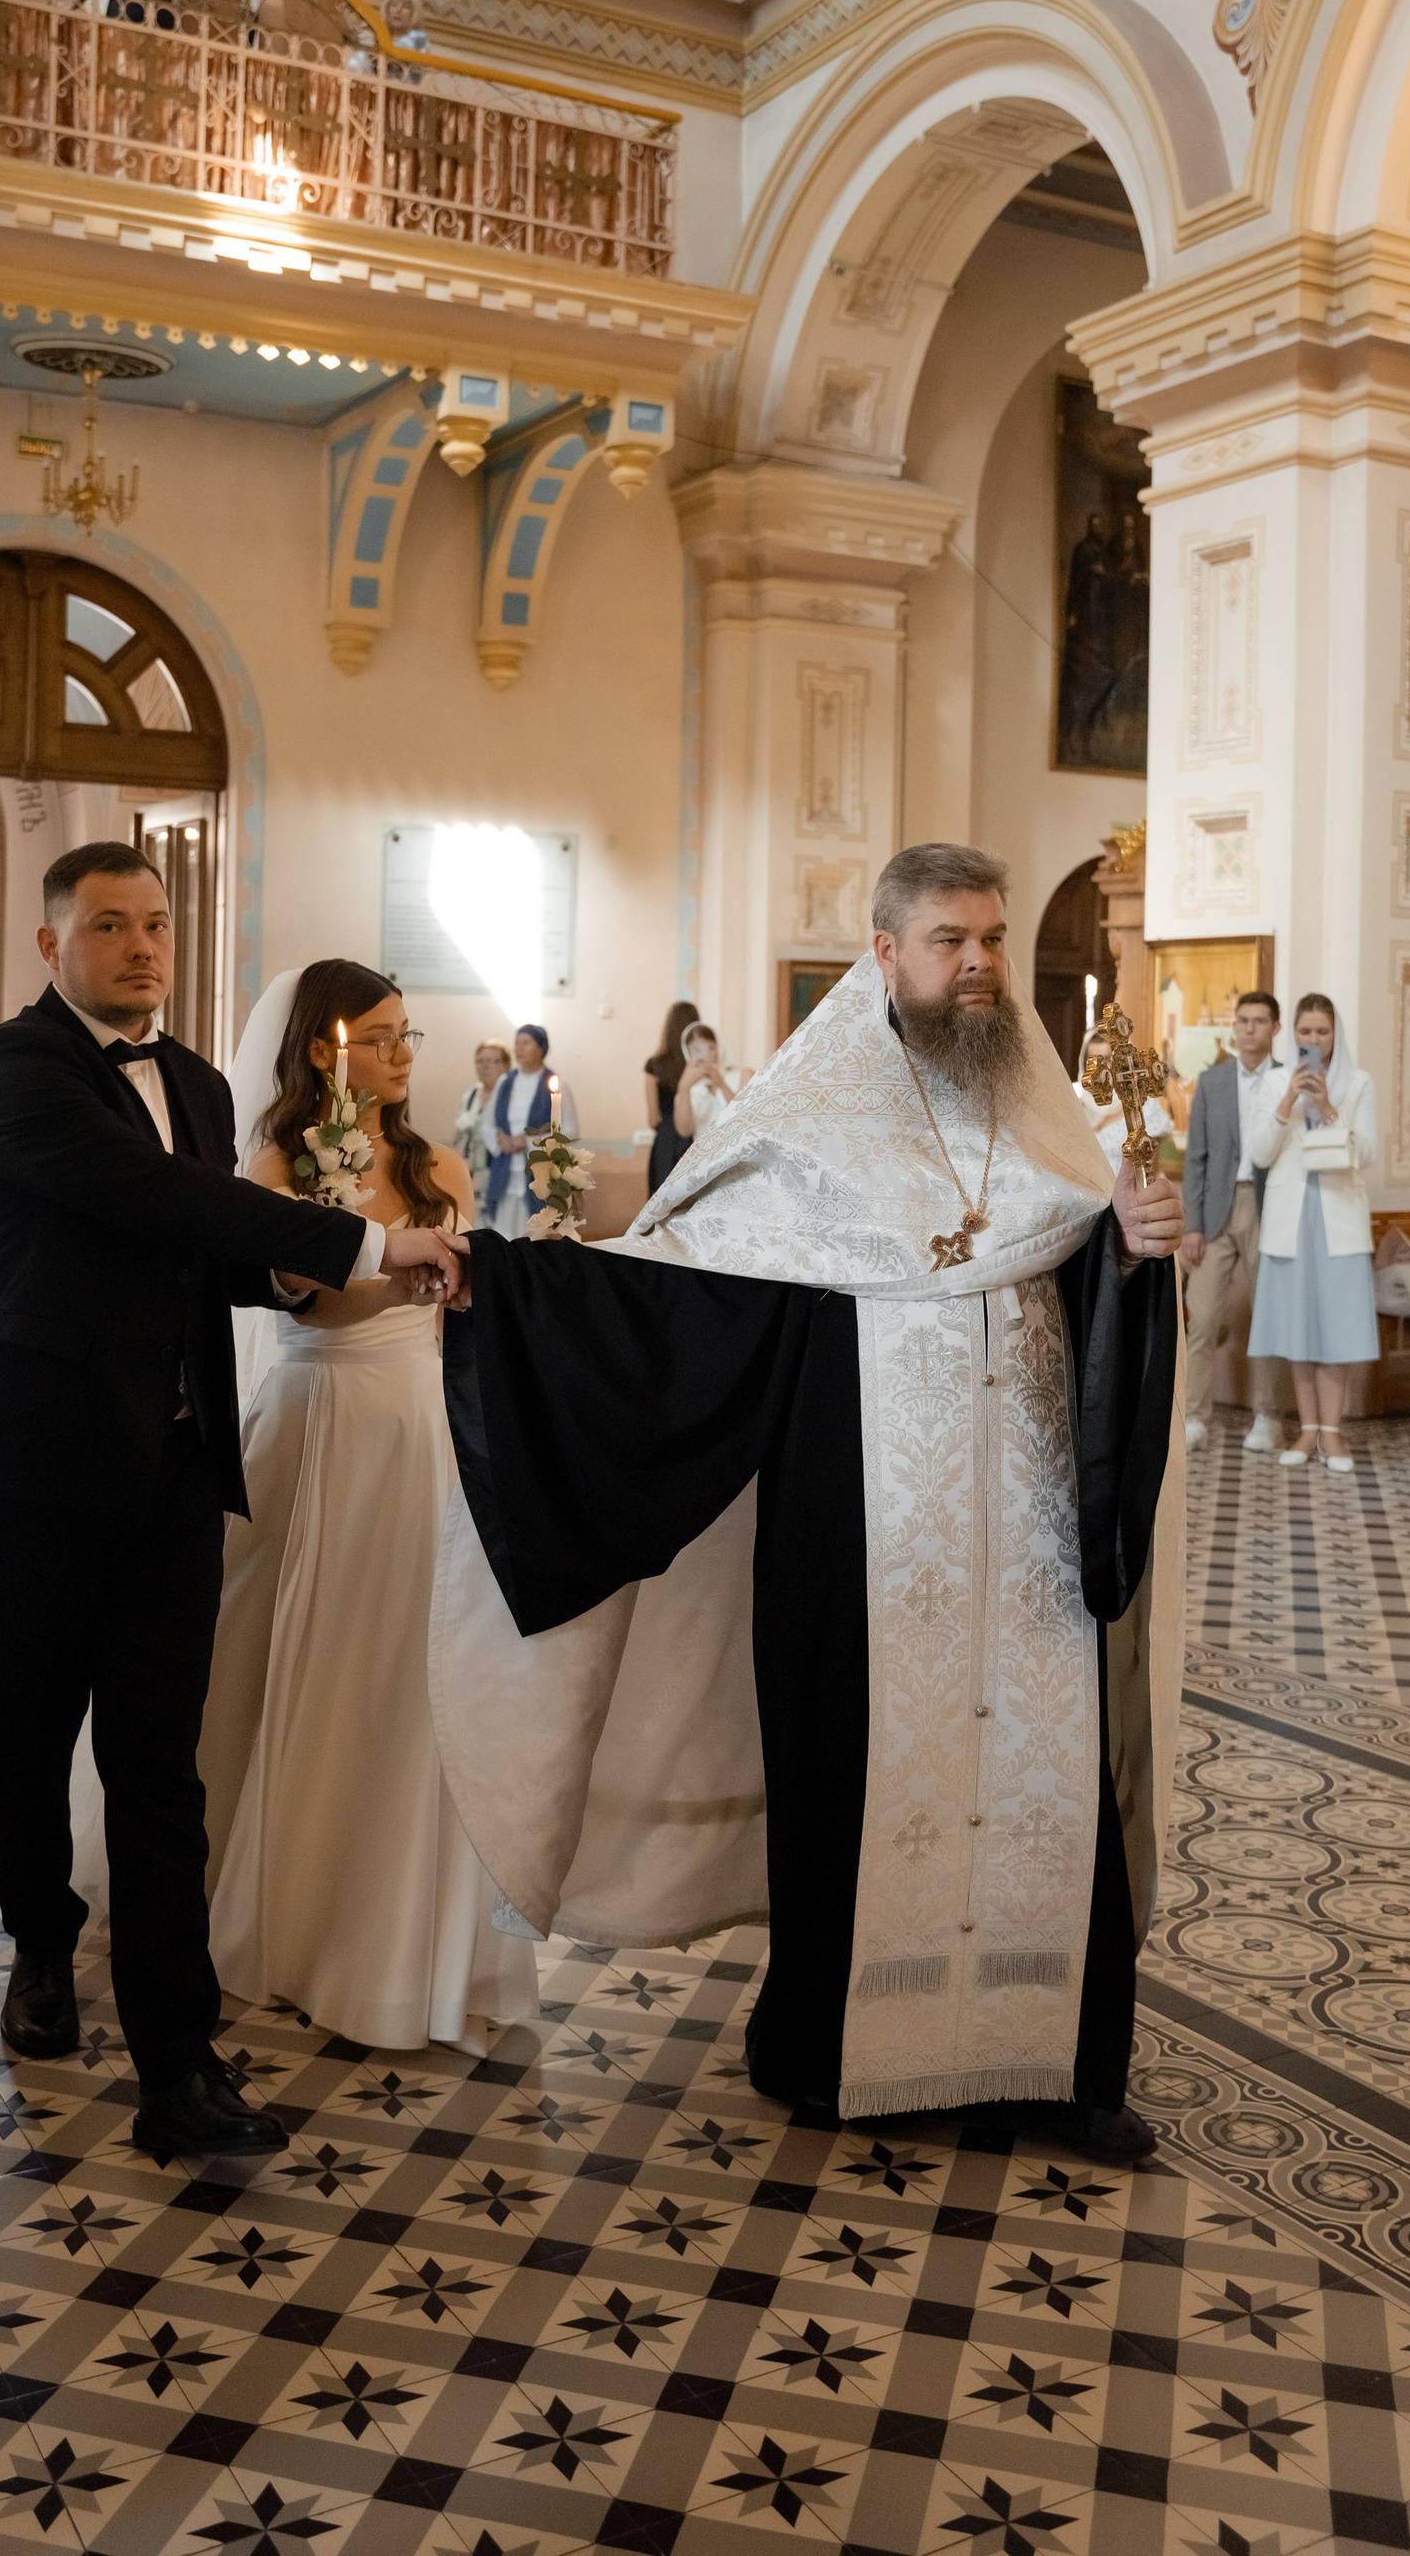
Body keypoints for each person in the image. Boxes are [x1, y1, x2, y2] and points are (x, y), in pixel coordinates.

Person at [433, 842, 1183, 2154]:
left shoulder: (1048, 1114)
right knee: (858, 1778)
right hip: (862, 1539)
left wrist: (1127, 1251)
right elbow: (683, 1296)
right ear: (884, 953)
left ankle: (1055, 2070)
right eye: (950, 940)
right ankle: (843, 2055)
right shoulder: (803, 1127)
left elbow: (1082, 1284)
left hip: (1032, 1539)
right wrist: (503, 1284)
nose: (979, 965)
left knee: (1047, 1783)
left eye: (992, 938)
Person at [0, 845, 460, 2159]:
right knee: (25, 1732)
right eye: (110, 925)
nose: (142, 947)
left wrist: (286, 1282)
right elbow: (155, 1197)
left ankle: (178, 2062)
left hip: (174, 1468)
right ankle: (41, 1941)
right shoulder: (14, 1075)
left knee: (161, 1767)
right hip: (31, 1470)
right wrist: (365, 1240)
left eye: (157, 924)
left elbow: (197, 1252)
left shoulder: (200, 1084)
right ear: (52, 946)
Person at [190, 962, 537, 2050]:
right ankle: (279, 1901)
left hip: (419, 1425)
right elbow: (299, 1297)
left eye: (406, 1035)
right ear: (323, 1050)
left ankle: (398, 1926)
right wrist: (394, 1273)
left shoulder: (438, 1164)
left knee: (409, 1668)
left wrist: (485, 1281)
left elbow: (458, 1302)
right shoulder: (275, 1162)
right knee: (294, 1653)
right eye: (379, 1037)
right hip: (321, 1417)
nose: (399, 1055)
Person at [1247, 992, 1378, 1473]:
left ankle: (1332, 1434)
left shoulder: (1358, 1082)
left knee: (1337, 1327)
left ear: (1335, 1034)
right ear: (1293, 1034)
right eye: (1306, 1031)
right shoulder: (1274, 1081)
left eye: (1323, 1031)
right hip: (1290, 1217)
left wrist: (1327, 1108)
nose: (1314, 1039)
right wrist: (1288, 1100)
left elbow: (1368, 1152)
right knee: (1298, 1327)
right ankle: (1306, 1430)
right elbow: (1260, 1153)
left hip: (1339, 1216)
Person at [1181, 992, 1292, 1453]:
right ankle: (1193, 1418)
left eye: (1259, 1021)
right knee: (1203, 1317)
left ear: (1275, 1028)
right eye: (1242, 1020)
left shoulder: (1288, 1078)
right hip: (1215, 1212)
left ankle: (1267, 1417)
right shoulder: (1212, 1082)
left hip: (1270, 1207)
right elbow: (1197, 1158)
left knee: (1268, 1317)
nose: (1249, 1029)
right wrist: (1192, 1225)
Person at [486, 1023, 577, 1237]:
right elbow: (487, 1123)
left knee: (535, 1233)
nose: (519, 1048)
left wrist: (528, 1142)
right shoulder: (504, 1082)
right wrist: (499, 1138)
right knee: (504, 1232)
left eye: (526, 1042)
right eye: (516, 1042)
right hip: (506, 1169)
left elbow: (570, 1130)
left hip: (539, 1170)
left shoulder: (556, 1084)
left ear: (541, 1048)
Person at [643, 999, 699, 1194]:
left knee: (663, 1202)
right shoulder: (698, 1065)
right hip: (695, 1137)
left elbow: (653, 1119)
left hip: (666, 1142)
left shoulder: (654, 1065)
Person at [452, 1038, 511, 1215]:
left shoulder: (509, 1098)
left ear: (506, 1065)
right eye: (480, 1061)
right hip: (470, 1177)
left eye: (491, 1061)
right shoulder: (470, 1096)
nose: (484, 1066)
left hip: (499, 1177)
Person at [673, 1022, 740, 1142]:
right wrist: (685, 1088)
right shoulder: (688, 1089)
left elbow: (745, 1116)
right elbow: (685, 1131)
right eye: (696, 1050)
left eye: (710, 1048)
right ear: (688, 1053)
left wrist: (720, 1083)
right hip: (704, 1150)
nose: (704, 1055)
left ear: (719, 1047)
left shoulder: (740, 1075)